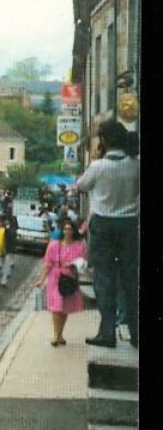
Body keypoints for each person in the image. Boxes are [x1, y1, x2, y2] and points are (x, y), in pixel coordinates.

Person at [76, 120, 139, 348]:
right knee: (130, 279)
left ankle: (107, 332)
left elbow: (80, 185)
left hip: (103, 226)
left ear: (104, 141)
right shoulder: (135, 164)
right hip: (129, 225)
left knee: (104, 279)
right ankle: (136, 331)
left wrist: (97, 156)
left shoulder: (99, 166)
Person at [34, 218, 88, 346]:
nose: (67, 231)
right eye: (65, 229)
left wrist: (74, 265)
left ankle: (60, 334)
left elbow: (83, 263)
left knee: (64, 308)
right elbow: (47, 264)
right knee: (56, 308)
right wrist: (41, 279)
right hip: (55, 278)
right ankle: (56, 336)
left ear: (74, 230)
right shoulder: (54, 246)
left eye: (70, 229)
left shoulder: (79, 246)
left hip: (69, 278)